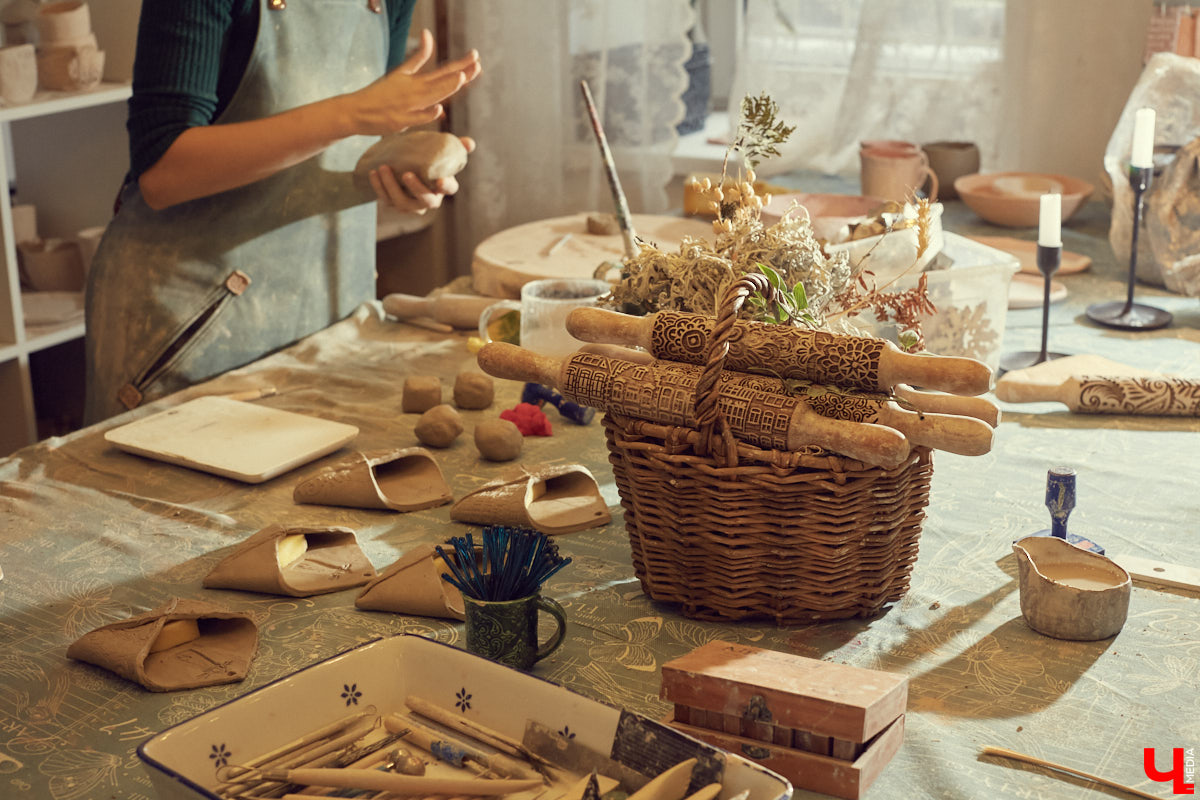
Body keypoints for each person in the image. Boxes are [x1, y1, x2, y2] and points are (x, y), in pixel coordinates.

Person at [83, 0, 482, 423]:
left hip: (325, 316)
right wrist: (348, 113)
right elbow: (164, 172)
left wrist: (400, 174)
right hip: (189, 326)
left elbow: (343, 139)